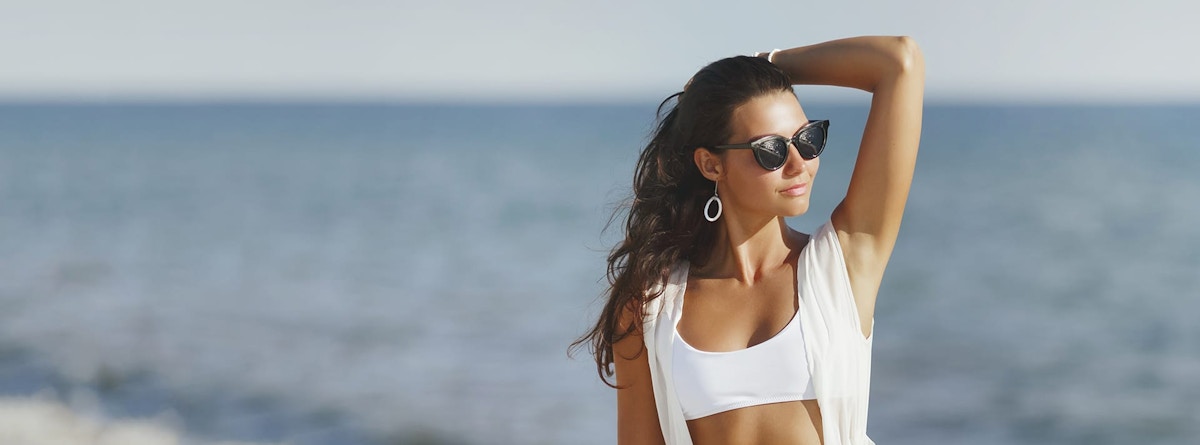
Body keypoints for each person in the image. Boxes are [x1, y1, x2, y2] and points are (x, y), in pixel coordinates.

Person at [572, 36, 925, 444]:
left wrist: (766, 64)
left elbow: (899, 62)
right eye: (771, 150)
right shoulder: (649, 307)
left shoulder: (844, 264)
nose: (798, 165)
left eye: (808, 140)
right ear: (710, 164)